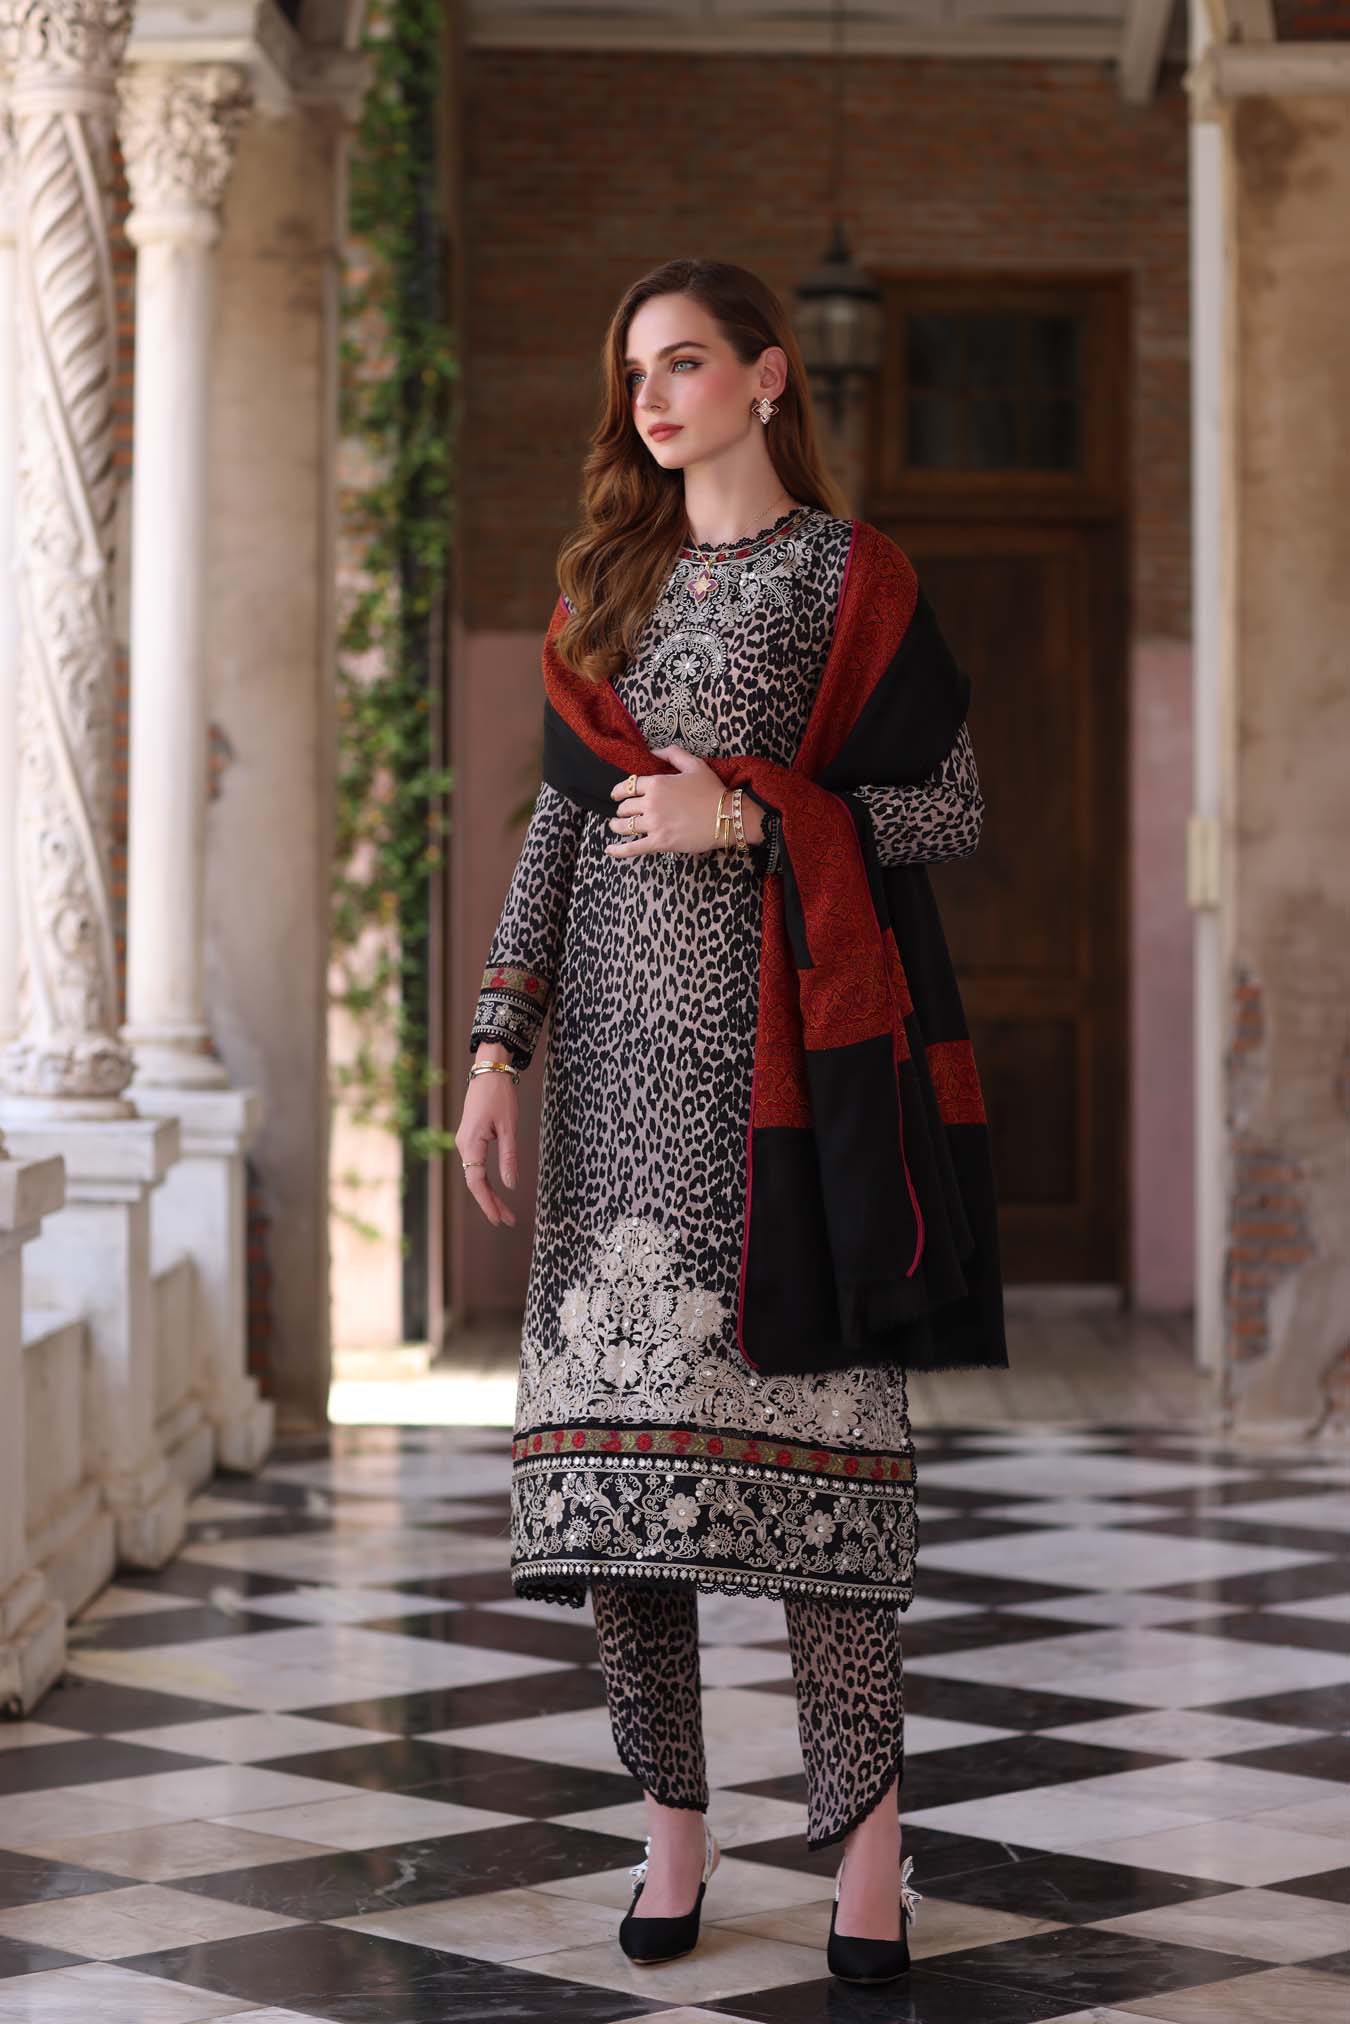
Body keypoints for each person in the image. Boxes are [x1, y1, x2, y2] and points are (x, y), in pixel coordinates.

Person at [455, 256, 1007, 1984]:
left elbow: (948, 803)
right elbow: (559, 830)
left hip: (785, 1092)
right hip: (615, 1089)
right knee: (624, 1493)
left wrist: (751, 815)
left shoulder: (849, 577)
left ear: (768, 378)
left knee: (820, 1485)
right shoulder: (601, 587)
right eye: (633, 370)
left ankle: (868, 1855)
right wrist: (495, 1046)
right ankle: (672, 1834)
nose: (650, 397)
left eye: (683, 362)